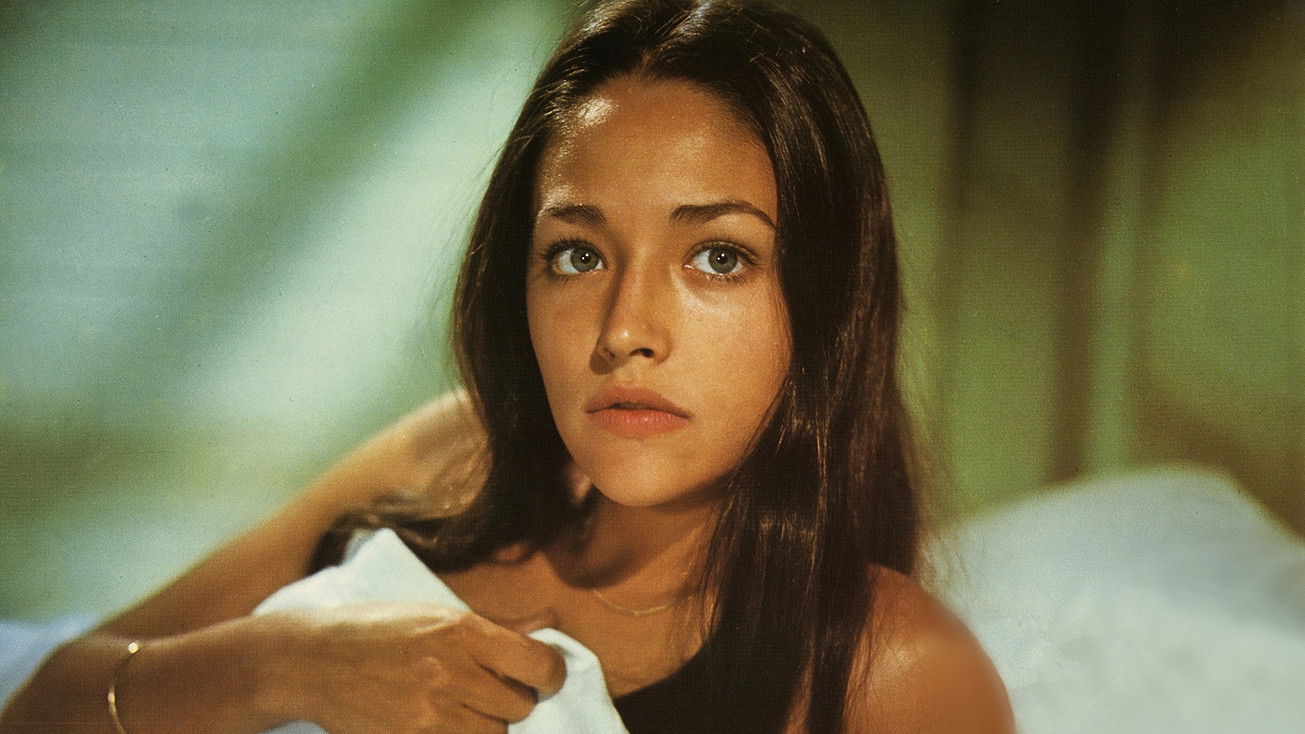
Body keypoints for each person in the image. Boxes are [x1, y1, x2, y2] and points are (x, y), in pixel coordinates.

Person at [0, 0, 1014, 732]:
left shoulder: (891, 668)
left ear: (824, 300)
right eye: (577, 255)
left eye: (717, 257)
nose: (625, 329)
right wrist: (283, 665)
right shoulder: (457, 453)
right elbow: (42, 698)